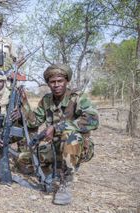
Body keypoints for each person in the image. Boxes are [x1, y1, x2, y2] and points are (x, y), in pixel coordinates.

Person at [24, 64, 99, 205]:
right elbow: (33, 122)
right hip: (56, 147)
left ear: (67, 81)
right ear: (48, 84)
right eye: (52, 82)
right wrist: (24, 103)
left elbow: (93, 120)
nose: (56, 85)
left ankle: (66, 182)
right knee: (24, 158)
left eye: (60, 81)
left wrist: (57, 127)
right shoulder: (46, 100)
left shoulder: (78, 97)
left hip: (78, 147)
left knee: (71, 135)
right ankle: (57, 165)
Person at [0, 70, 32, 173]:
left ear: (4, 82)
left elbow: (30, 117)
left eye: (0, 81)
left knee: (27, 133)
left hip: (11, 132)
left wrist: (21, 114)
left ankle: (23, 160)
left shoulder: (14, 95)